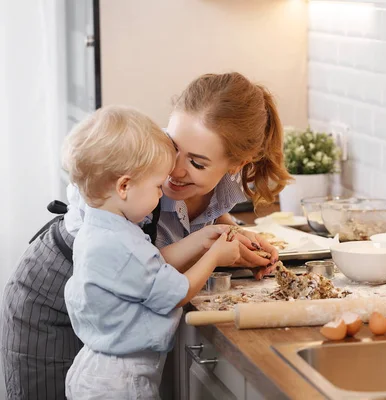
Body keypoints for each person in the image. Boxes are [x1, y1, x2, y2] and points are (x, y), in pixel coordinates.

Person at [0, 71, 292, 399]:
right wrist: (214, 250)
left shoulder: (223, 183)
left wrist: (233, 234)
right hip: (53, 297)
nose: (174, 169)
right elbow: (143, 264)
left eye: (196, 163)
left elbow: (192, 224)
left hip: (117, 325)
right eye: (173, 146)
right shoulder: (133, 164)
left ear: (236, 164)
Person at [62, 105, 241, 398]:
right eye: (158, 186)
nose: (162, 194)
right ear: (124, 186)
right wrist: (215, 257)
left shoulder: (106, 228)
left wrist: (202, 239)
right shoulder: (119, 241)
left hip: (97, 371)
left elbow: (151, 267)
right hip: (121, 382)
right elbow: (177, 291)